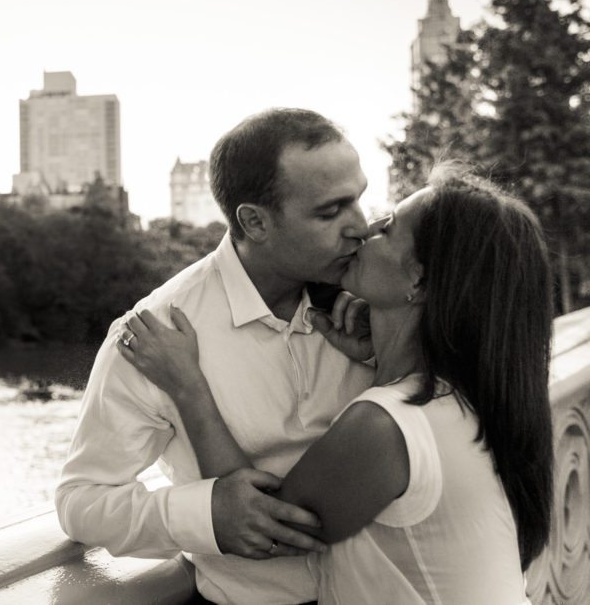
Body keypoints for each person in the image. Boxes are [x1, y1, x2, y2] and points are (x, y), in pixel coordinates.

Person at [119, 166, 554, 603]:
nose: (366, 228)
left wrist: (189, 388)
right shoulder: (463, 396)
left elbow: (267, 528)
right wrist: (377, 354)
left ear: (418, 280)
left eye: (389, 227)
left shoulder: (387, 425)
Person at [55, 108, 375, 604]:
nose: (361, 226)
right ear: (254, 221)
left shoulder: (381, 293)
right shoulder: (155, 332)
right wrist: (205, 515)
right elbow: (81, 502)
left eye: (359, 198)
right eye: (330, 211)